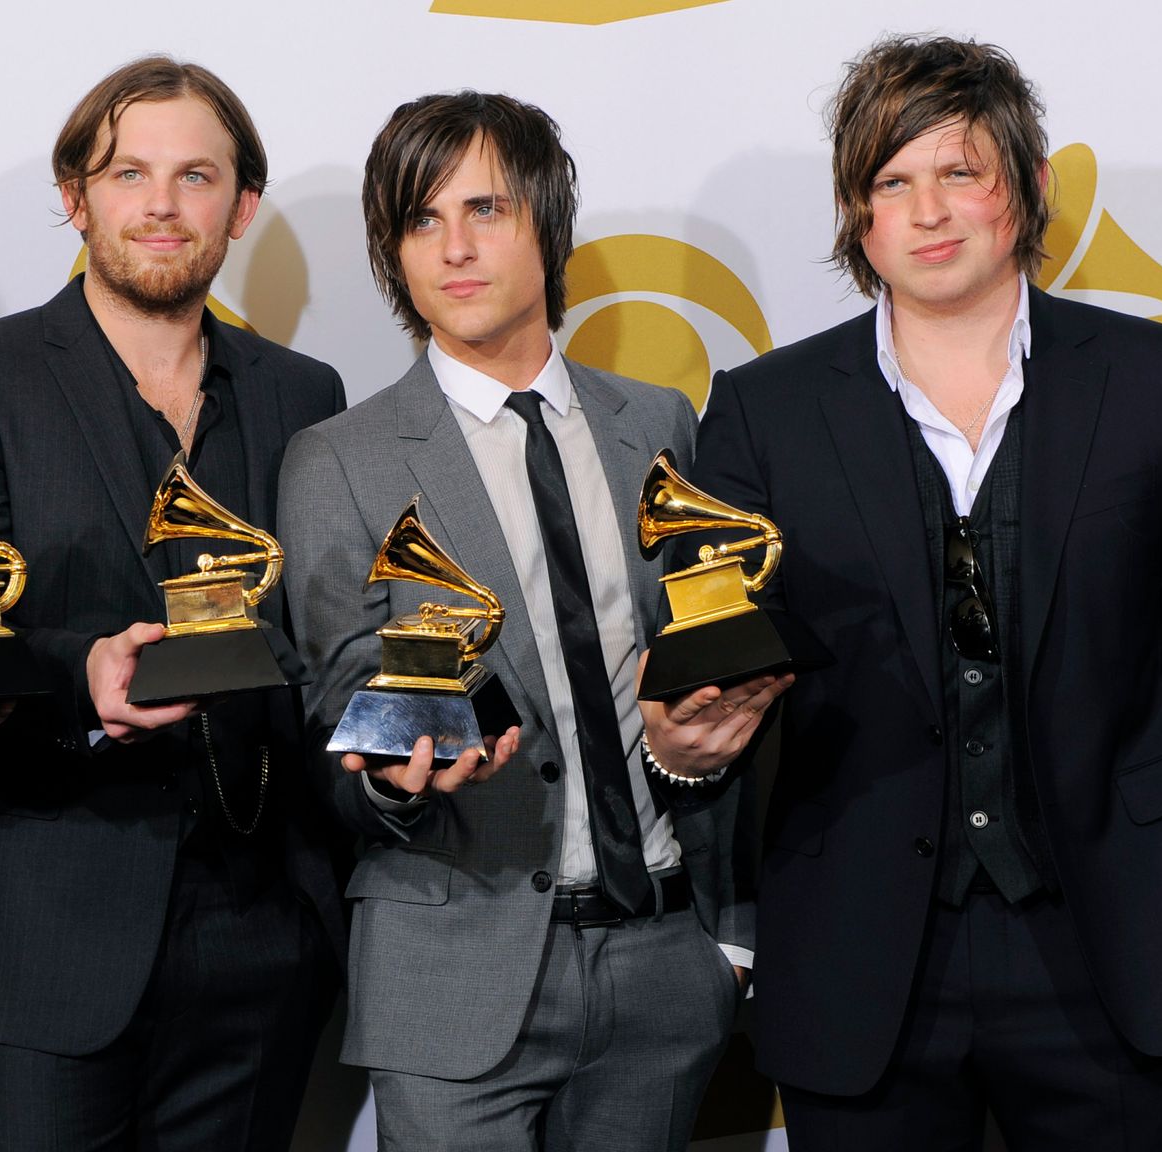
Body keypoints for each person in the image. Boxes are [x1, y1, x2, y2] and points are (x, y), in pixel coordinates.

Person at [687, 35, 1162, 1149]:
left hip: (1119, 941)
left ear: (1027, 186)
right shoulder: (760, 414)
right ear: (855, 213)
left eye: (958, 172)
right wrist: (686, 745)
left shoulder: (1155, 383)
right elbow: (710, 681)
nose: (927, 211)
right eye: (890, 182)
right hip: (857, 954)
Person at [278, 91, 781, 1151]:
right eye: (419, 221)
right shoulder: (341, 458)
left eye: (484, 210)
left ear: (546, 227)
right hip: (452, 971)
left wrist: (720, 944)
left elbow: (693, 668)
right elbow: (335, 696)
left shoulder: (654, 422)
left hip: (660, 963)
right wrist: (393, 778)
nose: (453, 248)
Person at [0, 55, 348, 1151]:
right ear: (73, 195)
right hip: (37, 924)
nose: (158, 204)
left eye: (195, 176)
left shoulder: (303, 393)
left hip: (258, 929)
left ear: (240, 207)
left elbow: (321, 635)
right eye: (126, 172)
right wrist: (78, 676)